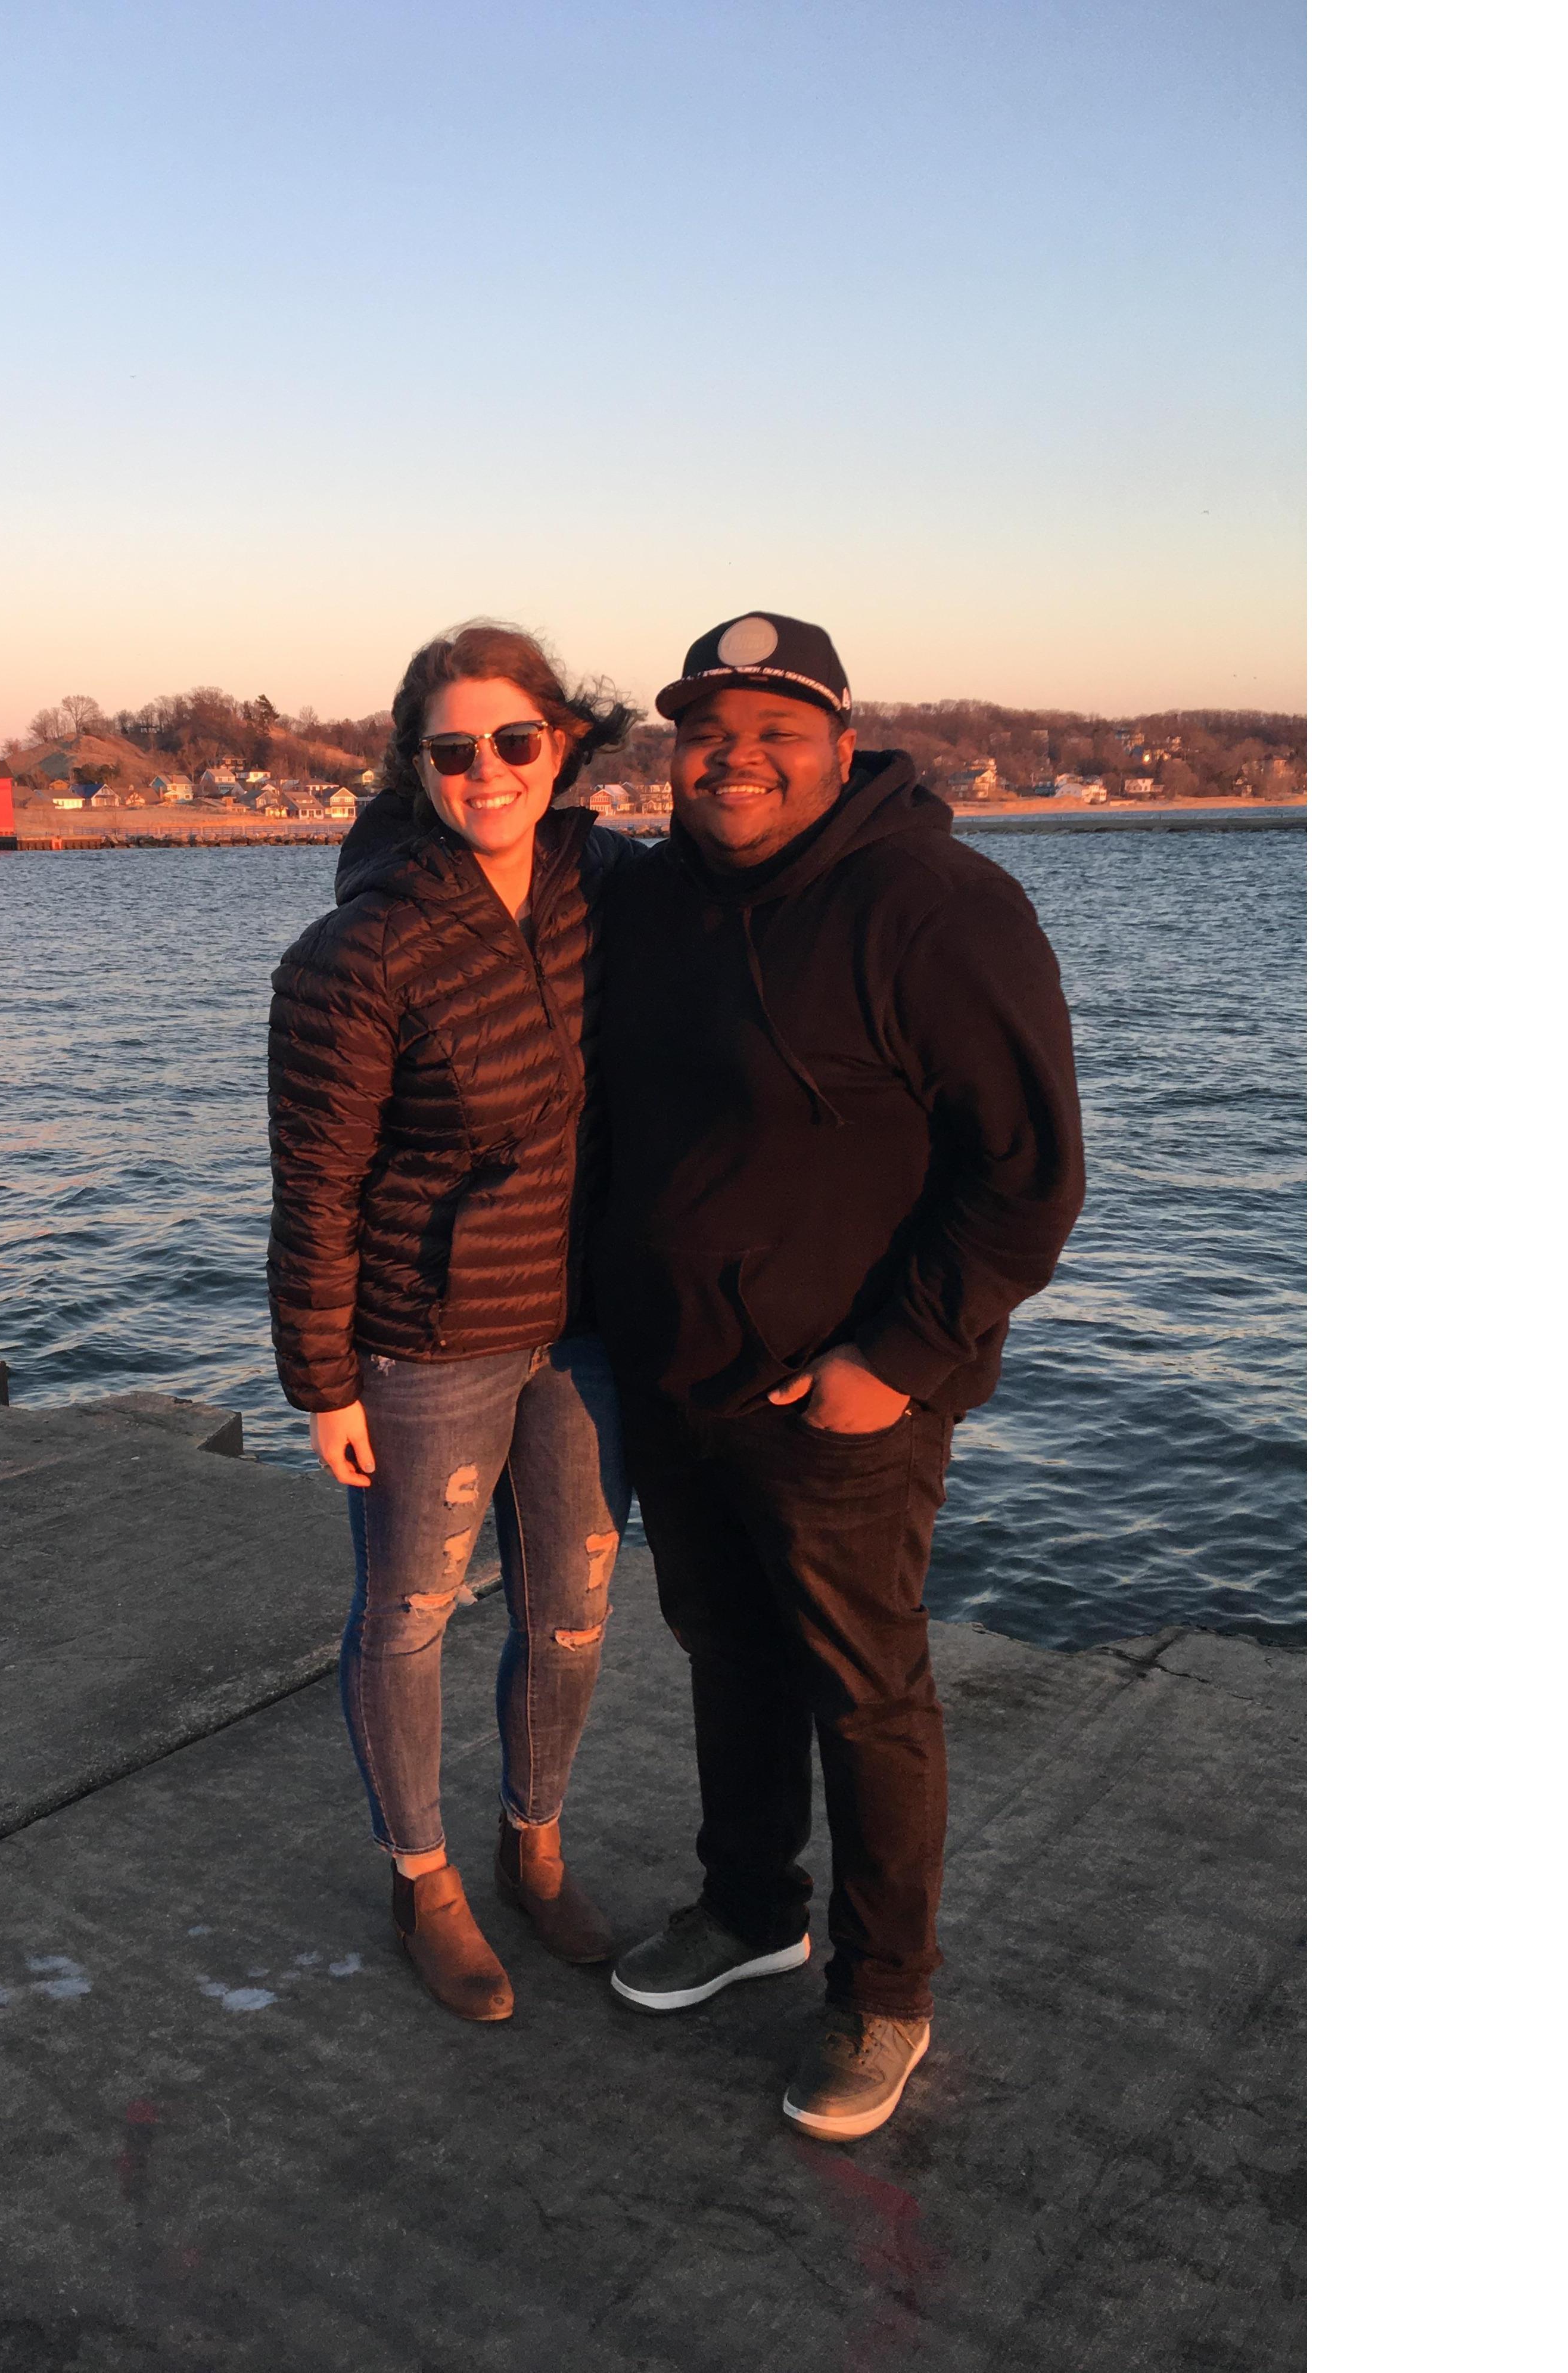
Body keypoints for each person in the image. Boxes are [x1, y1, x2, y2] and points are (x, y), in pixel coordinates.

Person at [593, 611, 1084, 2137]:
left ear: (841, 739)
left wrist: (900, 1358)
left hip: (844, 1391)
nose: (736, 760)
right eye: (708, 732)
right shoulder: (660, 894)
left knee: (867, 1693)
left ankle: (883, 1993)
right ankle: (751, 1910)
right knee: (725, 1654)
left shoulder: (938, 907)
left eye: (774, 731)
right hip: (681, 1375)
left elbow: (1030, 1177)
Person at [267, 624, 638, 2023]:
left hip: (587, 1327)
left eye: (516, 742)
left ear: (565, 745)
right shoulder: (356, 956)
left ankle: (532, 1844)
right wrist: (323, 1380)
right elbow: (318, 1186)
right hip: (428, 1340)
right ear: (416, 768)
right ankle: (425, 1880)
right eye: (454, 750)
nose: (488, 772)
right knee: (413, 1613)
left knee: (575, 1613)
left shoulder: (609, 891)